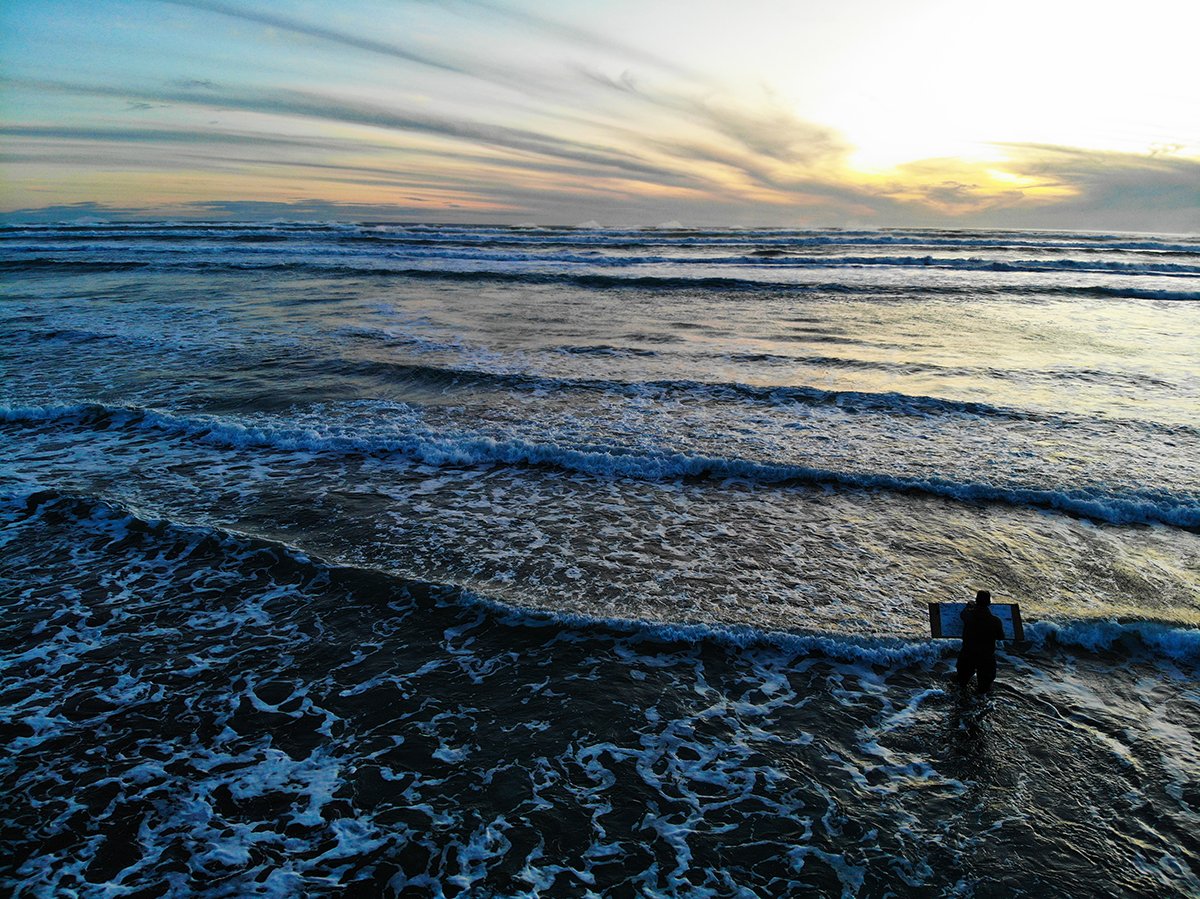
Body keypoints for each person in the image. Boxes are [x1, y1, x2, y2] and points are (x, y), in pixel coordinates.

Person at [956, 589, 1005, 693]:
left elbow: (963, 614)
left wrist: (969, 606)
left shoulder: (968, 616)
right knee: (984, 690)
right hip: (986, 657)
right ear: (989, 603)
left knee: (961, 685)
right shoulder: (995, 621)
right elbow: (1001, 637)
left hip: (968, 654)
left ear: (976, 601)